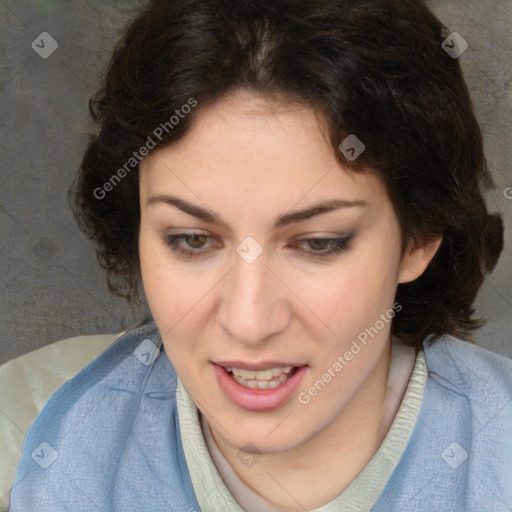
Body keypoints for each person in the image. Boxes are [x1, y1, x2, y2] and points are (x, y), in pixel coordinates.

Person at [7, 0, 512, 510]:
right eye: (192, 239)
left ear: (420, 236)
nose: (248, 322)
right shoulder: (46, 450)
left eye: (317, 243)